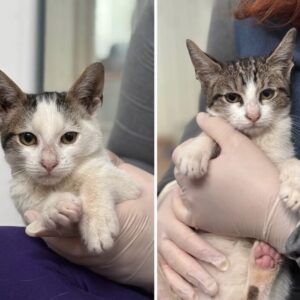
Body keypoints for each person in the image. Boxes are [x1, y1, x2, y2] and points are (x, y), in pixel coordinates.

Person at [0, 0, 154, 299]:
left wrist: (95, 193)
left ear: (91, 103)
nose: (48, 161)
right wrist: (54, 207)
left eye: (68, 138)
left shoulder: (92, 163)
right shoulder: (21, 188)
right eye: (29, 139)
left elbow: (120, 183)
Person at [158, 0, 300, 299]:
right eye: (234, 98)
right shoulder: (243, 8)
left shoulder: (280, 131)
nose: (251, 114)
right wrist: (166, 196)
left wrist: (287, 228)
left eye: (266, 94)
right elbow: (203, 124)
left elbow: (286, 163)